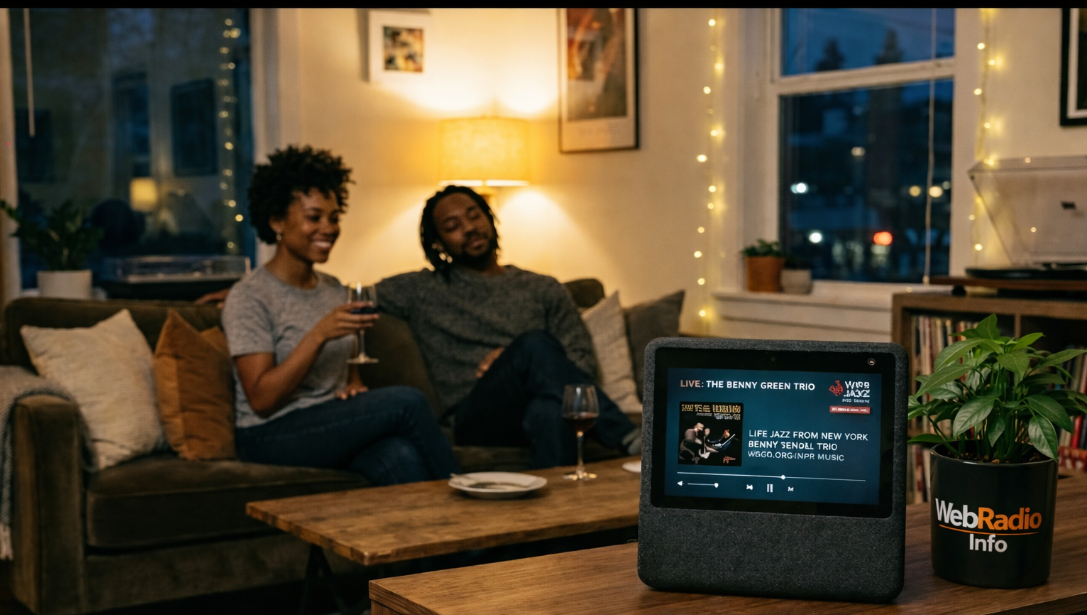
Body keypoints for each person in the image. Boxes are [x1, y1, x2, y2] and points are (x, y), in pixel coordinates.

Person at [222, 146, 458, 485]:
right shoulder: (250, 296)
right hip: (268, 434)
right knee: (408, 402)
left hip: (329, 423)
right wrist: (318, 335)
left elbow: (347, 373)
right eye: (314, 217)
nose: (329, 228)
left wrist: (353, 385)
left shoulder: (333, 289)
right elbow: (262, 400)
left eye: (334, 218)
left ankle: (443, 521)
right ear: (276, 221)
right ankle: (471, 499)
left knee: (400, 456)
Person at [375, 185, 641, 469]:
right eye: (452, 226)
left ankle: (559, 499)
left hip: (538, 407)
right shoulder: (420, 289)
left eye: (474, 216)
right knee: (533, 344)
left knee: (550, 410)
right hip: (477, 417)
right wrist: (519, 357)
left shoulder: (543, 288)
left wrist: (519, 363)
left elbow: (581, 362)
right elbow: (350, 297)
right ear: (438, 243)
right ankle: (625, 434)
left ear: (490, 219)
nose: (469, 228)